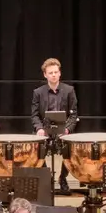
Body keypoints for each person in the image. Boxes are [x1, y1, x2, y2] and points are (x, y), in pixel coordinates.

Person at [30, 57, 79, 191]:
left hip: (64, 129)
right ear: (45, 75)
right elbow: (34, 115)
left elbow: (73, 114)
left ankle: (63, 178)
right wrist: (39, 128)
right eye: (50, 73)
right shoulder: (38, 92)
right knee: (35, 149)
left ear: (60, 73)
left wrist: (67, 129)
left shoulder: (69, 90)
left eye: (56, 72)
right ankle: (47, 177)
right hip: (45, 129)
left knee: (70, 151)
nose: (53, 75)